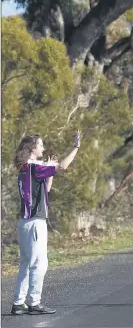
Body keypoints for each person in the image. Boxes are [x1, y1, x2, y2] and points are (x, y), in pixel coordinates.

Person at [11, 131, 81, 315]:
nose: (43, 148)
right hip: (35, 222)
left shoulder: (26, 168)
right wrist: (76, 147)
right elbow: (63, 167)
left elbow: (47, 188)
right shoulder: (34, 167)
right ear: (33, 148)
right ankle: (34, 302)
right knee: (40, 263)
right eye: (40, 145)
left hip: (25, 222)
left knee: (27, 263)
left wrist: (50, 169)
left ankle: (19, 303)